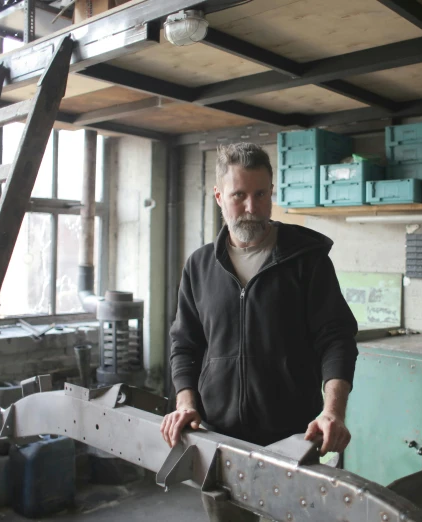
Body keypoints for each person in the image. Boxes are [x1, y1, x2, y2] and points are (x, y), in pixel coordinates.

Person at [161, 142, 358, 521]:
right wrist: (186, 403)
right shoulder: (200, 266)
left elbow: (336, 339)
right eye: (239, 195)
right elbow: (184, 343)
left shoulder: (307, 261)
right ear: (219, 196)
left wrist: (333, 411)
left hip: (294, 440)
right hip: (218, 442)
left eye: (260, 194)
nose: (251, 207)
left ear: (272, 193)